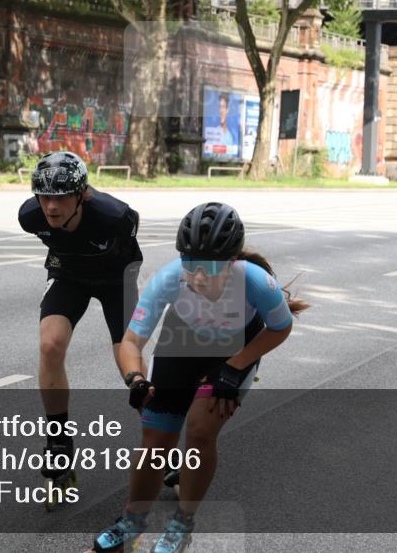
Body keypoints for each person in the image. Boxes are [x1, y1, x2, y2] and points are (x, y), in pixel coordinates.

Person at [89, 202, 309, 553]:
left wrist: (236, 366)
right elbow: (131, 341)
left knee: (200, 430)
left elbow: (280, 328)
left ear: (232, 261)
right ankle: (131, 521)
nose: (199, 277)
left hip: (235, 350)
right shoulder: (168, 278)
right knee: (154, 441)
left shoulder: (256, 281)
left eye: (211, 267)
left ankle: (181, 524)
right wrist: (135, 378)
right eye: (191, 265)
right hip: (182, 346)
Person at [18, 151, 142, 492]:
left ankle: (161, 439)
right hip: (69, 274)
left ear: (82, 194)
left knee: (127, 357)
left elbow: (131, 251)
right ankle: (58, 440)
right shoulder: (30, 217)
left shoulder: (116, 217)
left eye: (60, 197)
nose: (51, 207)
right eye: (44, 197)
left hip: (116, 278)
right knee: (50, 344)